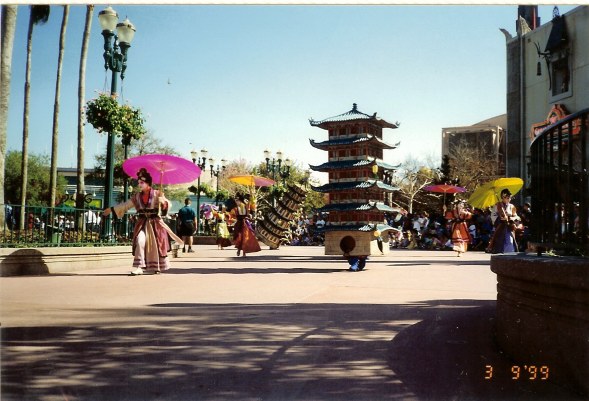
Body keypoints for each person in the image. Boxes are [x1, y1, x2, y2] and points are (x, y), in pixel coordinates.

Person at [103, 168, 183, 275]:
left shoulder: (157, 193)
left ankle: (156, 266)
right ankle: (139, 267)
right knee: (140, 241)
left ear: (148, 183)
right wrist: (112, 209)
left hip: (155, 223)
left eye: (142, 182)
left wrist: (163, 202)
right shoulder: (137, 196)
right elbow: (126, 205)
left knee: (155, 246)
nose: (139, 184)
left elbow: (167, 205)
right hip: (142, 223)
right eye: (139, 182)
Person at [487, 189, 520, 254]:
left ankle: (509, 255)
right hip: (500, 227)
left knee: (510, 242)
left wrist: (511, 218)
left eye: (510, 197)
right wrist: (500, 218)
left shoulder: (511, 206)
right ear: (503, 197)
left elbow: (516, 216)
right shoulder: (497, 205)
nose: (509, 199)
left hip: (509, 227)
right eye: (507, 198)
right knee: (499, 243)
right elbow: (493, 215)